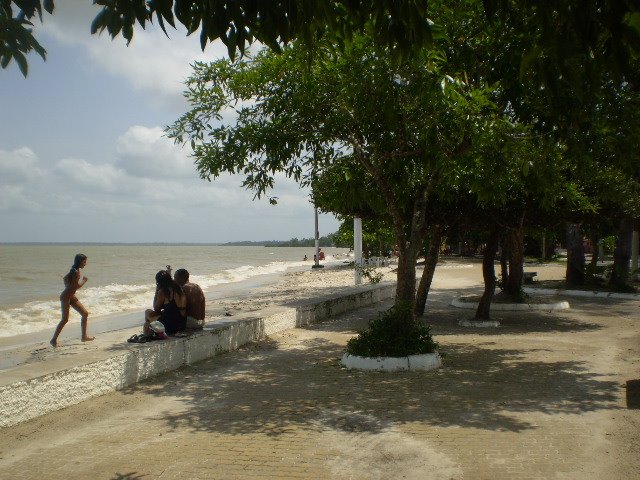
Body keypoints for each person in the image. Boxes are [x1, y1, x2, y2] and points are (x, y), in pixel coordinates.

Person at [50, 253, 94, 347]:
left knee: (85, 313)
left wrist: (68, 286)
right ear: (80, 262)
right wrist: (84, 281)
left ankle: (84, 337)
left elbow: (65, 278)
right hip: (66, 297)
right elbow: (76, 286)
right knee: (65, 319)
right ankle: (53, 340)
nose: (85, 264)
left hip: (71, 296)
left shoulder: (74, 270)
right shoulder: (75, 272)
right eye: (84, 261)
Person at [144, 270, 187, 335]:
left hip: (170, 326)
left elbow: (156, 308)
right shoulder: (178, 287)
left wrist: (157, 291)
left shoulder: (163, 291)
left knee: (148, 313)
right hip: (182, 323)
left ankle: (148, 335)